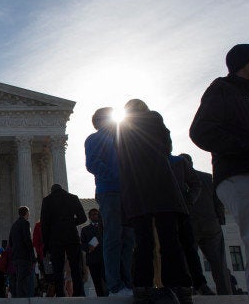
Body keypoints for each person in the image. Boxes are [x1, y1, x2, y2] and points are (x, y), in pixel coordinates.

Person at [190, 44, 249, 304]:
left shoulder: (243, 97)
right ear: (244, 61)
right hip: (241, 176)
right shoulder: (222, 89)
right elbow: (201, 131)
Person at [117, 99, 192, 304]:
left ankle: (142, 288)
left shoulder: (121, 128)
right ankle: (178, 288)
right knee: (169, 239)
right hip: (161, 185)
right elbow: (167, 147)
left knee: (143, 242)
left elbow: (121, 157)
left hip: (137, 189)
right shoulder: (154, 118)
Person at [84, 107, 135, 297]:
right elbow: (93, 164)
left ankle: (127, 283)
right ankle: (115, 286)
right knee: (113, 237)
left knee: (128, 237)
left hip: (127, 192)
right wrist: (116, 176)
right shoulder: (95, 139)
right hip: (109, 191)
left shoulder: (122, 139)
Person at [180, 153, 232, 295]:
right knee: (219, 263)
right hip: (211, 224)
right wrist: (220, 219)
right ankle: (225, 294)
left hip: (190, 225)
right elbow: (219, 201)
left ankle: (193, 291)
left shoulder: (179, 180)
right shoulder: (208, 178)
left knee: (189, 260)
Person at [169, 153, 215, 295]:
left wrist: (188, 201)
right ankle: (180, 284)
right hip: (164, 212)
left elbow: (195, 184)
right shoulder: (154, 161)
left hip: (182, 211)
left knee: (189, 249)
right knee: (173, 249)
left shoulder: (178, 162)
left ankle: (199, 283)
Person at [40, 184, 87, 297]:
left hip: (55, 239)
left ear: (52, 191)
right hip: (72, 237)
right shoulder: (73, 197)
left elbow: (44, 224)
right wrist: (70, 223)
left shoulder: (47, 200)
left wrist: (45, 245)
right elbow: (83, 218)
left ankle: (60, 294)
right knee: (76, 267)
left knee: (58, 269)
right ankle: (79, 293)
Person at [8, 206, 36, 298]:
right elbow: (27, 240)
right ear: (26, 213)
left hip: (16, 257)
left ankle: (18, 297)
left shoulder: (14, 225)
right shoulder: (25, 223)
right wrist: (32, 256)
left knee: (19, 279)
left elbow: (10, 242)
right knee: (24, 279)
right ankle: (22, 298)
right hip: (24, 257)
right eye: (28, 213)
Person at [81, 209, 108, 297]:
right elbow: (82, 244)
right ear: (89, 217)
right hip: (93, 259)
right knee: (96, 282)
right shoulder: (85, 230)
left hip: (105, 259)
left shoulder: (104, 227)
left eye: (96, 214)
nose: (94, 216)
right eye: (92, 214)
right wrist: (88, 247)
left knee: (106, 280)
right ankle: (100, 298)